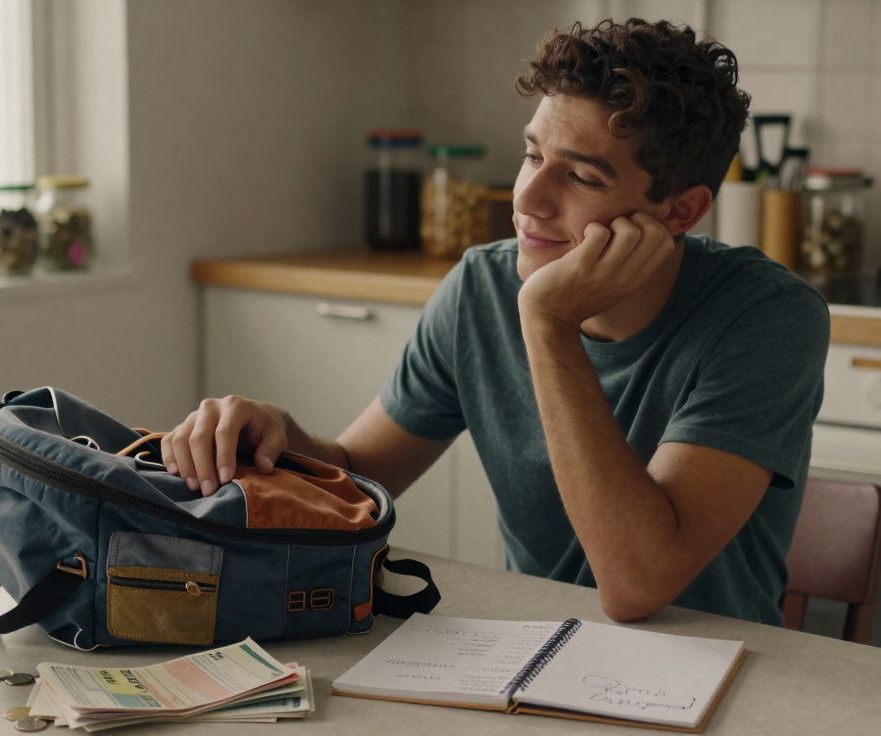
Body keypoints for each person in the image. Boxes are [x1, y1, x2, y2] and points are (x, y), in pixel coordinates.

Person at [161, 18, 829, 625]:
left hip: (722, 678)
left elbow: (637, 584)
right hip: (531, 660)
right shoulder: (481, 287)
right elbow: (358, 479)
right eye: (534, 156)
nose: (529, 198)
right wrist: (277, 438)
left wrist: (547, 323)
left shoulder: (767, 316)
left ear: (679, 213)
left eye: (582, 178)